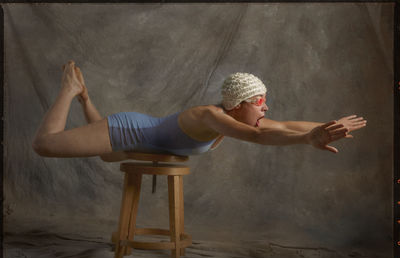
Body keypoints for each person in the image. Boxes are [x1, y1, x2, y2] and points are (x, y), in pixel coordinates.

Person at [32, 61, 367, 160]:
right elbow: (258, 135)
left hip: (137, 139)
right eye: (260, 101)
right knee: (44, 145)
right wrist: (307, 139)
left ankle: (85, 99)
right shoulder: (211, 116)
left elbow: (284, 124)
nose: (267, 108)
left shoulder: (234, 117)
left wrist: (325, 126)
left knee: (108, 155)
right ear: (237, 105)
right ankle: (69, 89)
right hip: (129, 129)